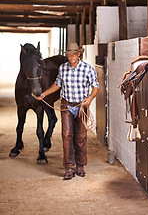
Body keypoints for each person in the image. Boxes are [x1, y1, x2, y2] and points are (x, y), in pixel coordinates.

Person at [33, 43, 99, 180]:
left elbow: (95, 87)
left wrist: (90, 99)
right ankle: (69, 167)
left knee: (80, 136)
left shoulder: (87, 69)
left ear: (78, 54)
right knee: (67, 135)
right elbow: (58, 84)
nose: (71, 57)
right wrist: (44, 94)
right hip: (67, 106)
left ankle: (80, 165)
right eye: (68, 54)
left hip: (82, 105)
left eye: (73, 54)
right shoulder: (63, 68)